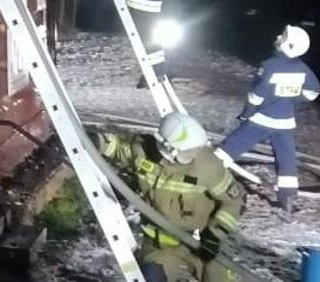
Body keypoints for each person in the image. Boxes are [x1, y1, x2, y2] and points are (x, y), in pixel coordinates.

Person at [99, 113, 245, 282]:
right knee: (150, 277)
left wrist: (214, 235)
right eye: (187, 152)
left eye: (196, 150)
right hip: (160, 244)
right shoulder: (143, 153)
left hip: (206, 245)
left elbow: (235, 201)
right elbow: (116, 146)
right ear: (167, 148)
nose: (193, 156)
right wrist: (95, 141)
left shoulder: (208, 166)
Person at [216, 25, 320, 211]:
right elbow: (314, 91)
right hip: (286, 122)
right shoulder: (302, 68)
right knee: (286, 158)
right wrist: (292, 100)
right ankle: (287, 197)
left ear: (288, 45)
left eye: (283, 37)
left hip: (262, 118)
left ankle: (209, 169)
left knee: (235, 143)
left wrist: (247, 113)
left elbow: (257, 95)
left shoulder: (269, 65)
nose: (278, 36)